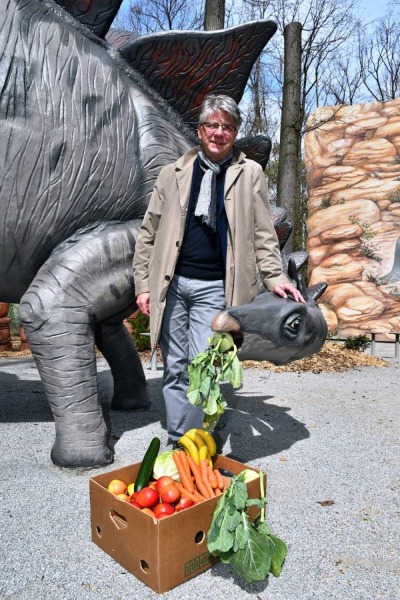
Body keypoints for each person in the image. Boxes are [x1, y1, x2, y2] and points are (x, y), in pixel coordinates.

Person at [133, 93, 304, 444]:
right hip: (173, 285)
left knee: (203, 366)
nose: (218, 133)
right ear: (200, 131)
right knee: (175, 366)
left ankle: (193, 439)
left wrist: (275, 277)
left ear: (235, 132)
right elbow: (148, 232)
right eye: (212, 125)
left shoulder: (250, 173)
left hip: (215, 289)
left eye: (227, 127)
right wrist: (142, 285)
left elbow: (262, 233)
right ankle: (181, 438)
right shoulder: (173, 173)